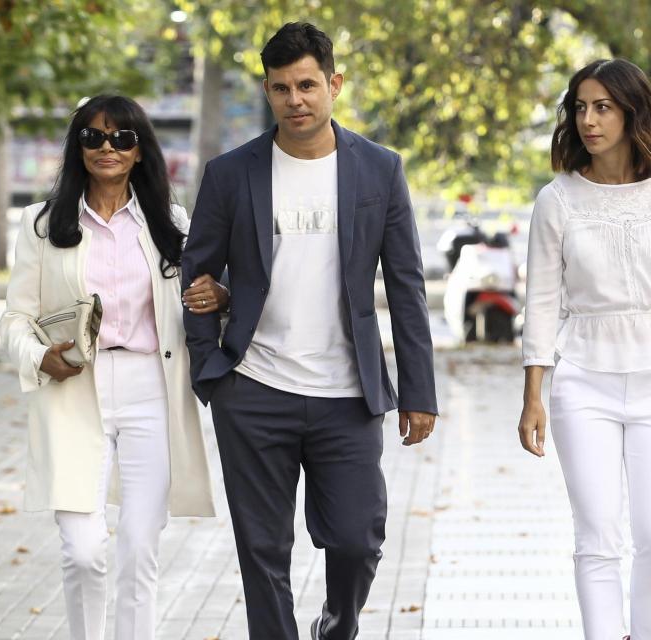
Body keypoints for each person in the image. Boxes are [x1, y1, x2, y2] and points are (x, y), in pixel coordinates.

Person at [181, 22, 438, 640]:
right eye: (280, 89)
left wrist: (419, 391)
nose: (295, 100)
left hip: (347, 396)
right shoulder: (230, 173)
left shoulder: (379, 170)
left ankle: (335, 626)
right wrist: (208, 370)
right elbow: (196, 277)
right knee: (262, 552)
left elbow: (406, 286)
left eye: (306, 85)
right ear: (267, 93)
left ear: (333, 84)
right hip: (253, 390)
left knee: (357, 540)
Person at [0, 95, 227, 640]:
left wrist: (218, 296)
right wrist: (38, 358)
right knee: (82, 552)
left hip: (151, 388)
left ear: (139, 150)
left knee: (139, 549)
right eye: (94, 137)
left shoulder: (170, 223)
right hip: (74, 388)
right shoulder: (41, 224)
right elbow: (14, 318)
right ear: (77, 147)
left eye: (123, 138)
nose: (108, 148)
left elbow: (199, 301)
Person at [517, 60, 651, 640]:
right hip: (583, 381)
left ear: (632, 112)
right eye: (580, 107)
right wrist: (534, 394)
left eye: (602, 106)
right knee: (597, 538)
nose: (588, 119)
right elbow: (541, 302)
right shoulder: (556, 199)